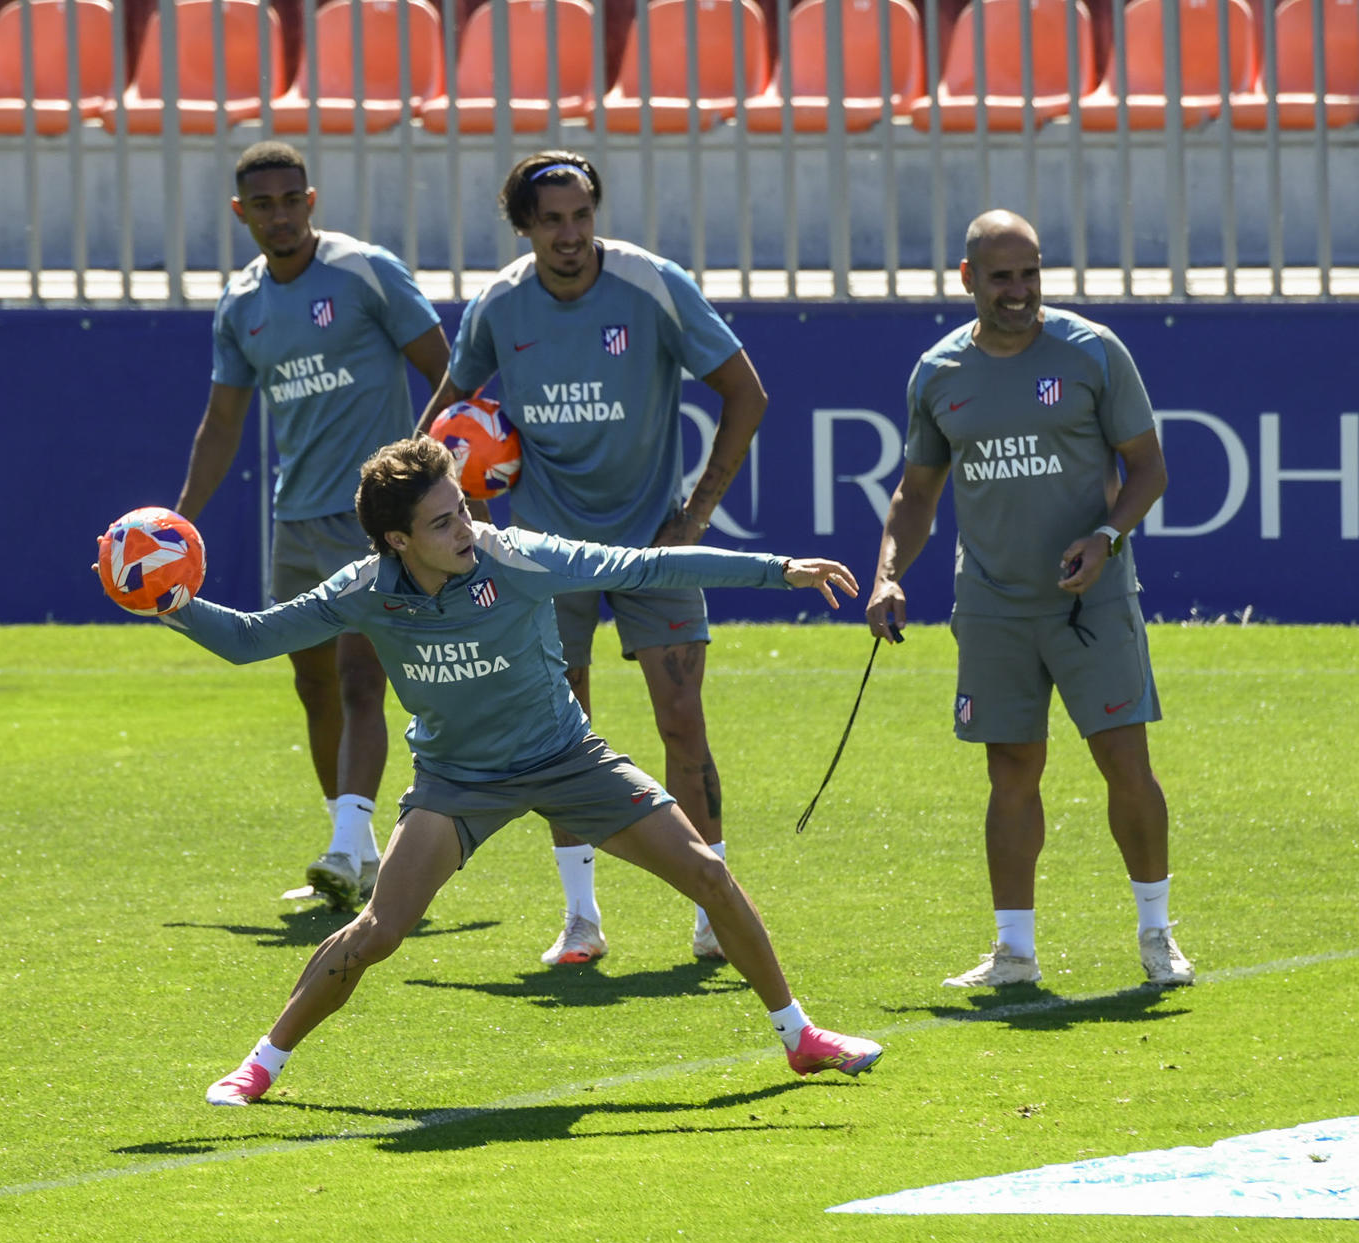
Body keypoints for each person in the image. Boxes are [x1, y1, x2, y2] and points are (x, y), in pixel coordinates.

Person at [105, 436, 884, 1104]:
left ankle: (799, 1035)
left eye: (465, 509)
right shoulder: (365, 590)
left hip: (567, 759)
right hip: (456, 782)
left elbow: (644, 566)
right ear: (397, 542)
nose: (467, 530)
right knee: (379, 930)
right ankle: (259, 1066)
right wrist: (168, 603)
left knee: (707, 876)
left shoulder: (517, 560)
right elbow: (250, 640)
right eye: (443, 521)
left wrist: (778, 567)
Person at [415, 151, 769, 969]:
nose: (571, 235)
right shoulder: (501, 303)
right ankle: (581, 918)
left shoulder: (651, 285)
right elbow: (447, 414)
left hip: (652, 544)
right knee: (554, 737)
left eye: (581, 216)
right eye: (552, 221)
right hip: (543, 553)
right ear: (525, 228)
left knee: (683, 721)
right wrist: (438, 510)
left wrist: (699, 512)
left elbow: (746, 391)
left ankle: (712, 909)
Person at [864, 209, 1193, 989]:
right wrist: (886, 573)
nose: (1020, 290)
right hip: (991, 604)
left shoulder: (1092, 352)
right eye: (1003, 275)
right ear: (969, 279)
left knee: (1125, 763)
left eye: (1031, 272)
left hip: (1093, 601)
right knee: (1010, 772)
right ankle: (1013, 952)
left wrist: (1106, 537)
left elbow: (1149, 469)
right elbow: (916, 492)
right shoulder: (938, 372)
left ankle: (1157, 936)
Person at [177, 141, 451, 911]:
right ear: (241, 214)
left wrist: (425, 487)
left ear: (312, 199)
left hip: (371, 520)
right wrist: (179, 524)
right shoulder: (241, 303)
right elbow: (222, 422)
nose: (280, 215)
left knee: (364, 676)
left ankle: (347, 846)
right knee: (311, 682)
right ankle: (354, 853)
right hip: (294, 519)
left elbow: (448, 373)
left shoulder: (366, 272)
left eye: (291, 199)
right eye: (262, 204)